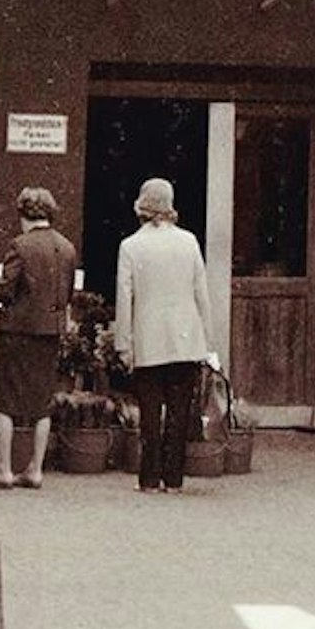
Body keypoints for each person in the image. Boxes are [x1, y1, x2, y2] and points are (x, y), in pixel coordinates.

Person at [112, 177, 213, 495]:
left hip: (148, 338)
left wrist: (123, 344)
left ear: (142, 207)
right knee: (180, 409)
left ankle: (149, 478)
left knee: (150, 410)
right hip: (185, 337)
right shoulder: (190, 242)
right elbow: (202, 293)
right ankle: (175, 478)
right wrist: (207, 341)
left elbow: (124, 298)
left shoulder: (130, 246)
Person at [0, 187, 77, 491]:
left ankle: (4, 469)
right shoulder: (67, 248)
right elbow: (68, 293)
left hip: (19, 331)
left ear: (23, 213)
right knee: (42, 401)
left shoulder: (19, 246)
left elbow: (6, 290)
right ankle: (35, 469)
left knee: (5, 399)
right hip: (51, 331)